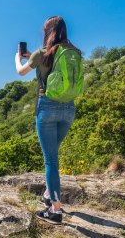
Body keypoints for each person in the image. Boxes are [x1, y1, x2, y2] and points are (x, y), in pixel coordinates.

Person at [15, 16, 80, 224]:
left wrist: (18, 58)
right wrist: (30, 56)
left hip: (47, 107)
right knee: (53, 155)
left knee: (50, 160)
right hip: (69, 108)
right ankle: (47, 194)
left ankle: (55, 210)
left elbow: (21, 72)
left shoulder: (41, 53)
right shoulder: (74, 52)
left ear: (47, 32)